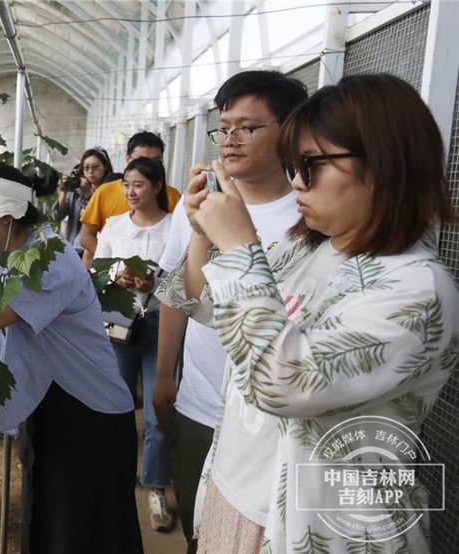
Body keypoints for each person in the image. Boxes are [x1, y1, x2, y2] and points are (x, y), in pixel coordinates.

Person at [179, 74, 457, 552]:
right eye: (294, 165)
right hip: (239, 490)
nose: (295, 182)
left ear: (384, 163)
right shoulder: (310, 246)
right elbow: (204, 305)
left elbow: (283, 383)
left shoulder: (416, 288)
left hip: (318, 529)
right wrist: (205, 232)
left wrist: (241, 247)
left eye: (311, 165)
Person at [0, 162, 143, 554]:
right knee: (48, 521)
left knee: (83, 533)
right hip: (49, 409)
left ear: (6, 214)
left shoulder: (49, 258)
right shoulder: (3, 266)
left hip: (88, 418)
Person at [153, 69, 308, 551]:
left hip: (272, 415)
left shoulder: (313, 213)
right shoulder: (196, 205)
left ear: (290, 131)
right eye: (223, 127)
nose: (229, 139)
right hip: (202, 401)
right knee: (202, 531)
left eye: (247, 126)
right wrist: (163, 375)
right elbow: (182, 296)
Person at [94, 156, 174, 532]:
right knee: (117, 404)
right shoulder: (113, 225)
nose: (130, 192)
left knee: (159, 409)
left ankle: (155, 487)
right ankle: (116, 480)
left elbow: (187, 279)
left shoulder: (176, 228)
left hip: (161, 325)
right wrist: (119, 277)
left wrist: (154, 285)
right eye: (127, 184)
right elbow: (98, 268)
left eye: (139, 185)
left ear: (158, 186)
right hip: (119, 323)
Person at [78, 131, 181, 269]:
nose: (147, 167)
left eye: (156, 161)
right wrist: (113, 263)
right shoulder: (105, 192)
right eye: (140, 160)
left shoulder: (172, 196)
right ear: (128, 159)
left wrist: (154, 278)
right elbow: (86, 236)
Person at [52, 147, 114, 255]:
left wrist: (89, 196)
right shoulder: (76, 192)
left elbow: (102, 219)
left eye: (95, 167)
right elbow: (57, 216)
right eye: (86, 168)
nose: (90, 172)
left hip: (95, 251)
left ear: (105, 167)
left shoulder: (110, 191)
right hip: (72, 250)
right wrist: (63, 192)